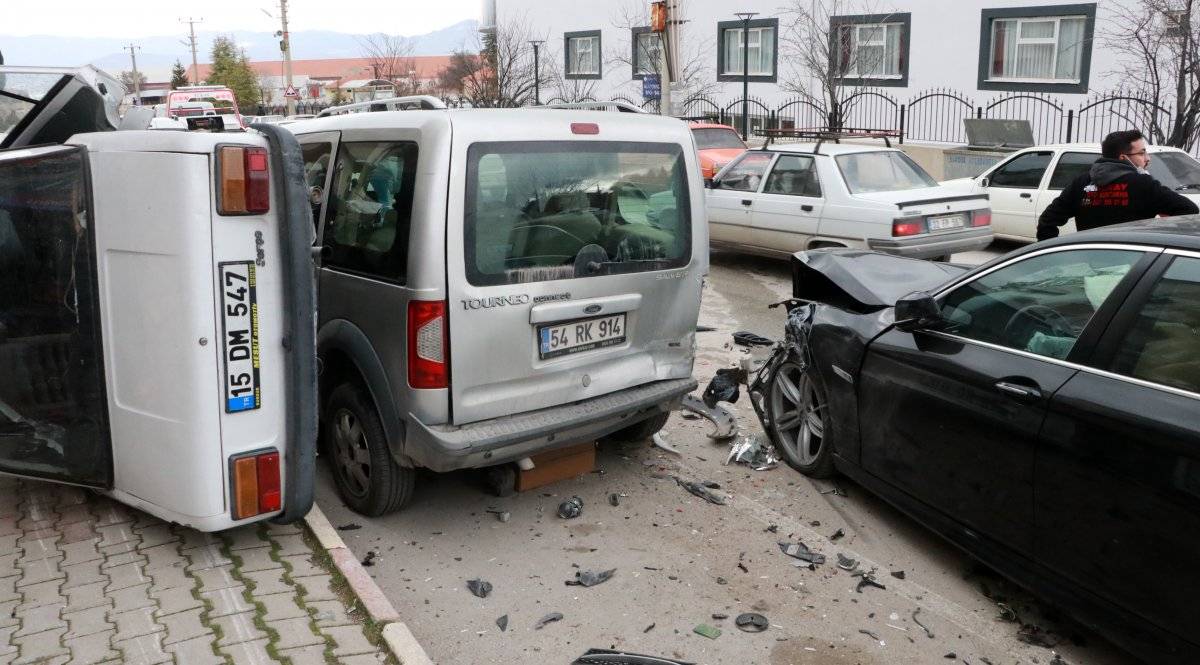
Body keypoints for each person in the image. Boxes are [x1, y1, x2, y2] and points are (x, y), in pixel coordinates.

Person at [1036, 129, 1198, 240]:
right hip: (1131, 264)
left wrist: (1051, 255)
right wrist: (1157, 227)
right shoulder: (1143, 185)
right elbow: (1189, 210)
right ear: (1123, 157)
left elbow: (1047, 221)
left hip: (1089, 262)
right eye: (1141, 153)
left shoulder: (1082, 182)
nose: (1147, 158)